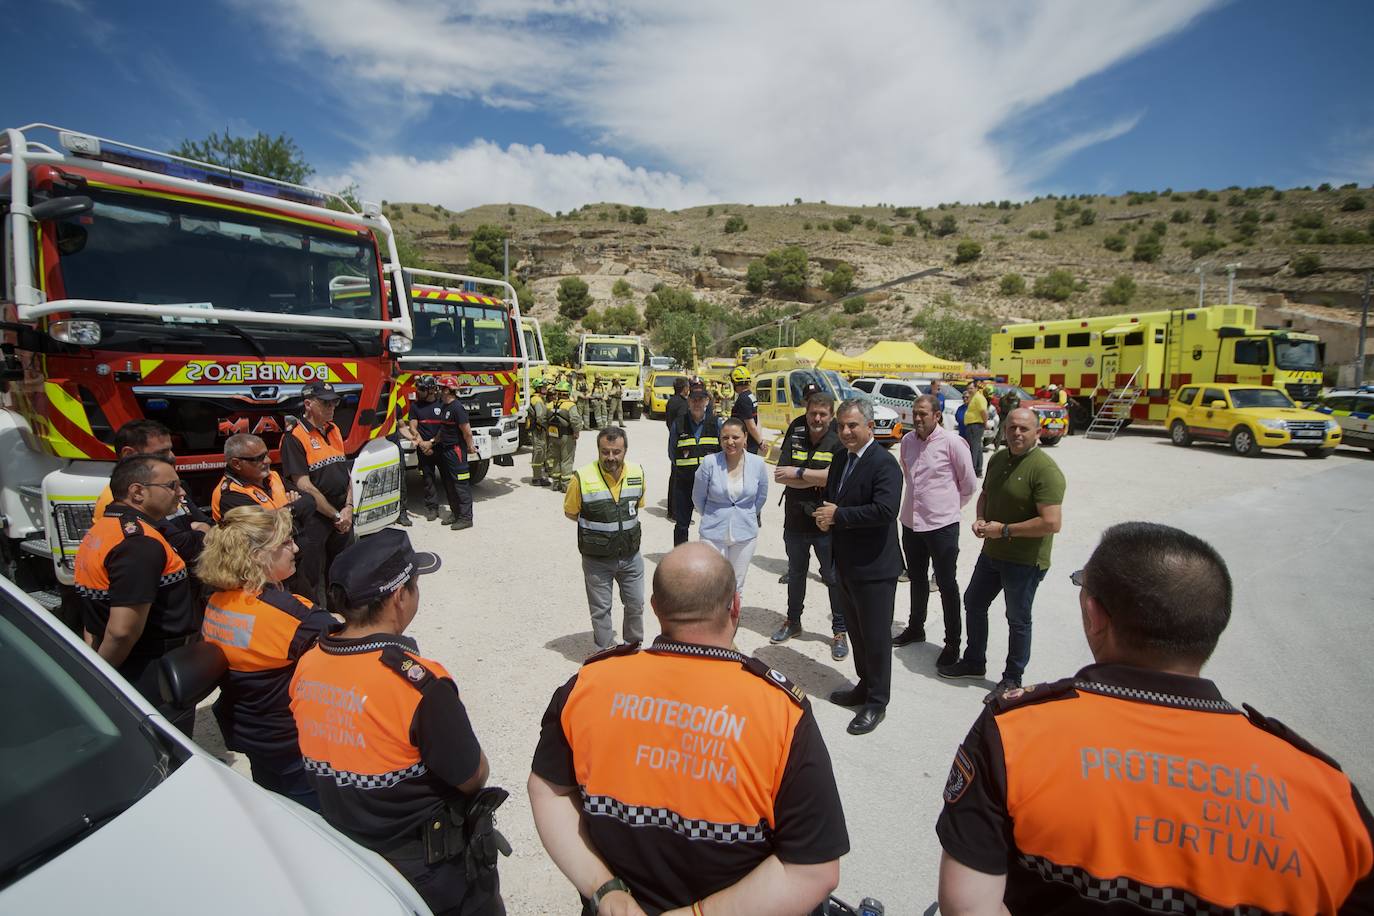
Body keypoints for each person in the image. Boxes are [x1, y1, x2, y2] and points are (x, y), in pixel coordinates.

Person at [937, 522, 1374, 915]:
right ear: (1211, 626)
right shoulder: (1327, 792)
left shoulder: (1014, 736)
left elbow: (967, 906)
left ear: (1095, 616)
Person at [528, 543, 848, 916]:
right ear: (735, 608)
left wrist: (606, 891)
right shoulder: (780, 711)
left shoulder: (588, 685)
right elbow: (813, 871)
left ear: (655, 609)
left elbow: (547, 791)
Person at [290, 531, 506, 915]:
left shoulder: (309, 663)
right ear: (399, 598)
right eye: (414, 584)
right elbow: (473, 775)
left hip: (350, 851)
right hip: (427, 868)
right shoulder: (419, 686)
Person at [197, 505, 334, 808]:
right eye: (285, 542)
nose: (295, 548)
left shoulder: (216, 601)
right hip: (291, 741)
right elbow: (342, 639)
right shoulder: (287, 613)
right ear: (258, 555)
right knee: (314, 818)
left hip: (250, 734)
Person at [938, 407, 1065, 698]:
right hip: (992, 552)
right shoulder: (997, 459)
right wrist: (981, 519)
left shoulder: (1045, 470)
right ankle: (974, 661)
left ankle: (1012, 678)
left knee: (1017, 618)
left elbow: (1051, 522)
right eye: (1012, 428)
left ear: (1037, 432)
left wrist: (1004, 530)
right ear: (1004, 430)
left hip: (1025, 560)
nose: (1017, 433)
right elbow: (985, 495)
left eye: (1024, 429)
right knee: (974, 601)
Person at [74, 455, 200, 733]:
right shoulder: (139, 543)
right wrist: (102, 677)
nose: (181, 493)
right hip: (151, 672)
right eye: (172, 485)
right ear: (137, 491)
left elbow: (93, 615)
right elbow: (121, 631)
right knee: (167, 751)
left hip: (135, 664)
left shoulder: (101, 530)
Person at [813, 398, 902, 736]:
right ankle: (864, 686)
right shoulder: (840, 459)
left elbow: (885, 511)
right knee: (859, 635)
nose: (846, 432)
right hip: (846, 563)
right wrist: (826, 519)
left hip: (875, 567)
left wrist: (839, 516)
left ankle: (877, 702)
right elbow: (834, 501)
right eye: (842, 426)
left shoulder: (884, 464)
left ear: (869, 426)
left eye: (852, 425)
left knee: (876, 637)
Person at [893, 396, 977, 664]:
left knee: (946, 584)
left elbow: (969, 484)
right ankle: (915, 628)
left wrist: (948, 507)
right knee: (917, 580)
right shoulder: (906, 442)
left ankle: (952, 643)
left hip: (942, 526)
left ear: (937, 415)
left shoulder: (953, 442)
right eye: (915, 414)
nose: (917, 419)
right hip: (911, 523)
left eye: (923, 414)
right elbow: (908, 475)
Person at [771, 391, 849, 660]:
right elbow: (781, 474)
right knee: (796, 573)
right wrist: (815, 478)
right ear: (807, 411)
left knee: (832, 577)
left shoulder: (839, 439)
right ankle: (793, 621)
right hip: (795, 518)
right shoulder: (796, 431)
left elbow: (836, 479)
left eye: (823, 414)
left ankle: (840, 631)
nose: (817, 418)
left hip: (825, 521)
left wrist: (800, 473)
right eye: (813, 412)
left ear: (831, 415)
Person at [564, 427, 645, 650]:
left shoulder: (637, 473)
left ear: (625, 450)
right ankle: (605, 654)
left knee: (636, 604)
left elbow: (637, 505)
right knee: (601, 610)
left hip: (631, 557)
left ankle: (633, 647)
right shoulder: (581, 477)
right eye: (605, 452)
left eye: (616, 452)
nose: (611, 457)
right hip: (597, 560)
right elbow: (571, 512)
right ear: (598, 450)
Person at [94, 418, 212, 566]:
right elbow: (184, 546)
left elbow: (209, 525)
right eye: (162, 452)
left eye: (170, 449)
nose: (172, 457)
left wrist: (200, 529)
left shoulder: (166, 485)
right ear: (129, 454)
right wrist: (200, 529)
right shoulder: (121, 498)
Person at [281, 381, 354, 603]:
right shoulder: (294, 437)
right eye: (326, 403)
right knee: (310, 572)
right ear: (308, 404)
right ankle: (312, 616)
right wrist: (335, 515)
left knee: (342, 565)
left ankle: (339, 607)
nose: (332, 407)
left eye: (335, 402)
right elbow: (304, 484)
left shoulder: (335, 429)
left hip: (342, 510)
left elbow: (345, 471)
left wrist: (349, 507)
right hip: (316, 516)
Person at [692, 417, 770, 602]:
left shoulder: (758, 464)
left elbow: (761, 496)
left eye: (735, 437)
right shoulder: (709, 463)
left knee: (736, 585)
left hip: (745, 533)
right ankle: (713, 625)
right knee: (714, 582)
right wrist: (713, 514)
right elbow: (698, 496)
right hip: (713, 532)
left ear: (745, 438)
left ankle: (730, 625)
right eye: (725, 437)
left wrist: (746, 513)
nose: (730, 442)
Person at [211, 433, 316, 530]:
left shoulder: (273, 476)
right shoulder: (230, 494)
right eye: (259, 458)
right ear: (236, 464)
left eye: (266, 454)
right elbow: (265, 529)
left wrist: (283, 513)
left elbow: (309, 500)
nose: (268, 460)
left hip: (292, 543)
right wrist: (293, 509)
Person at [667, 385, 720, 546]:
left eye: (701, 400)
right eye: (694, 400)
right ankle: (680, 557)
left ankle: (711, 556)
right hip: (684, 482)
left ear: (707, 401)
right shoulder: (679, 423)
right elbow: (672, 452)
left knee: (713, 523)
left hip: (710, 484)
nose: (697, 403)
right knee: (682, 524)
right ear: (688, 402)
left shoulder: (716, 423)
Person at [435, 375, 477, 531]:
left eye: (440, 388)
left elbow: (467, 432)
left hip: (456, 451)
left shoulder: (457, 408)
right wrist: (434, 441)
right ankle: (455, 513)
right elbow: (443, 429)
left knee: (461, 485)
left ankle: (466, 518)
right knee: (449, 484)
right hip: (446, 451)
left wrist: (470, 447)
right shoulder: (445, 406)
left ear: (447, 390)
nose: (438, 390)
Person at [409, 375, 446, 520]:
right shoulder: (415, 406)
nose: (418, 391)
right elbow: (413, 426)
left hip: (440, 447)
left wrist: (431, 442)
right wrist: (421, 442)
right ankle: (432, 508)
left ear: (431, 390)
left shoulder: (442, 405)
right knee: (428, 480)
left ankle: (455, 508)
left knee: (448, 478)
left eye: (422, 389)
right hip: (424, 449)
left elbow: (445, 427)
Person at [546, 380, 583, 493]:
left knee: (556, 459)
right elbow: (575, 420)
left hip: (553, 435)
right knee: (567, 459)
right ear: (568, 392)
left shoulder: (549, 404)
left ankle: (556, 483)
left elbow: (543, 419)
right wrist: (577, 431)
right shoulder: (570, 405)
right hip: (567, 436)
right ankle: (566, 485)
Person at [663, 376, 690, 522]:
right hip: (682, 443)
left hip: (673, 440)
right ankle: (677, 512)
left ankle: (671, 510)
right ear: (684, 388)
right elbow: (682, 424)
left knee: (674, 477)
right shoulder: (683, 404)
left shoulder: (671, 401)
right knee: (680, 479)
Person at [729, 365, 763, 454]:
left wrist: (761, 442)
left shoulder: (743, 399)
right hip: (752, 442)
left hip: (746, 445)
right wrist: (759, 438)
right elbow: (757, 419)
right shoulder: (751, 396)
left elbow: (751, 425)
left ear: (735, 383)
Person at [528, 378, 553, 487]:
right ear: (537, 388)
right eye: (543, 387)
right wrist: (545, 426)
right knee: (539, 451)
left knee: (541, 451)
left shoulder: (539, 399)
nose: (545, 389)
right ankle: (537, 478)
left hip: (539, 429)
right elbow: (540, 417)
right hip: (538, 429)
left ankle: (538, 476)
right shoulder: (537, 400)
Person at [962, 379, 989, 478]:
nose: (969, 390)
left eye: (971, 388)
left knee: (973, 448)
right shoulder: (973, 398)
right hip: (973, 425)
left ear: (976, 388)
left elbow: (983, 412)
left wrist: (985, 423)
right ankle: (978, 470)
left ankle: (972, 470)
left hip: (976, 426)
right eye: (968, 388)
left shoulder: (978, 398)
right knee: (977, 449)